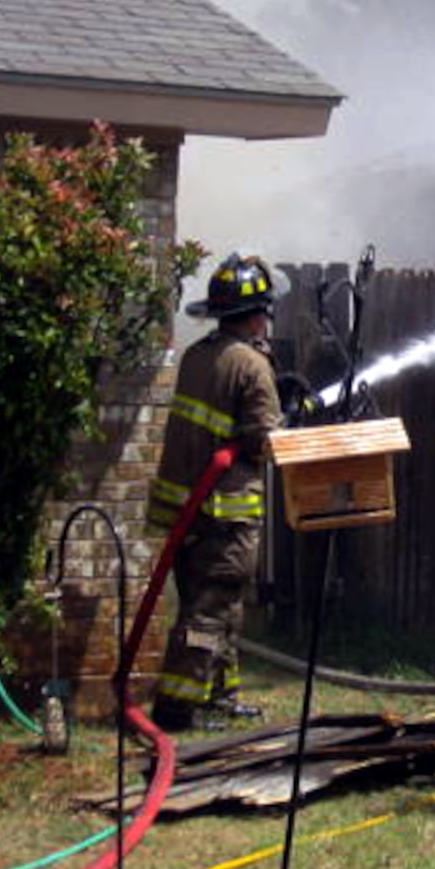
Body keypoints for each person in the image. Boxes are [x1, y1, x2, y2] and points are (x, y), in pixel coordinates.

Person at [148, 253, 283, 732]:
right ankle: (178, 708)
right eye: (265, 310)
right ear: (255, 314)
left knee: (219, 605)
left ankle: (220, 696)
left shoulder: (198, 355)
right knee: (209, 611)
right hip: (227, 515)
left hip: (189, 514)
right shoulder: (251, 364)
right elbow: (262, 442)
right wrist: (289, 420)